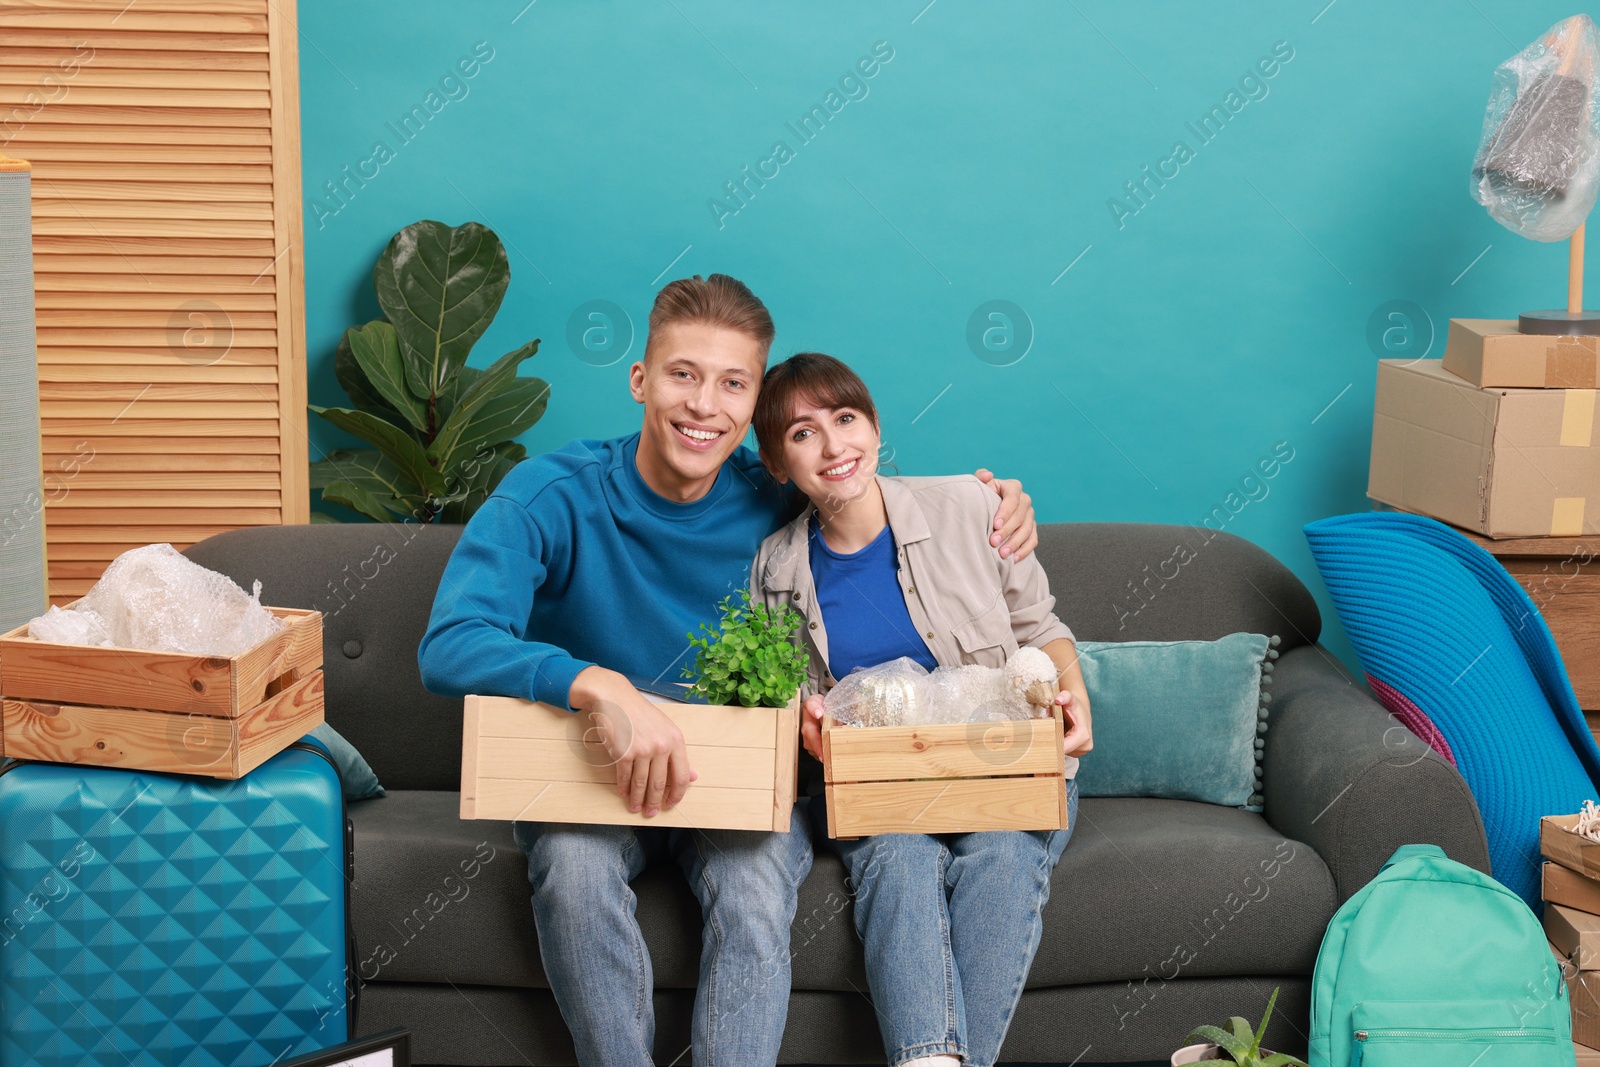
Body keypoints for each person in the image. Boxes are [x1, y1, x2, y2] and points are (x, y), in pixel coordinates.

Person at [417, 275, 1041, 1067]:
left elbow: (871, 501)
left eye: (733, 384)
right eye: (683, 374)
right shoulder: (548, 495)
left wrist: (993, 500)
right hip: (590, 779)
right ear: (641, 380)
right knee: (571, 870)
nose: (704, 405)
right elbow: (450, 642)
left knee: (752, 891)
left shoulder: (774, 497)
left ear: (753, 412)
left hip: (732, 785)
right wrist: (598, 684)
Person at [748, 351, 1094, 1067]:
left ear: (875, 428)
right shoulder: (776, 570)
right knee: (897, 856)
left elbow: (1042, 629)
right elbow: (785, 699)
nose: (834, 445)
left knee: (1003, 851)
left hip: (1006, 766)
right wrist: (805, 728)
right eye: (803, 432)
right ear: (778, 462)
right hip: (882, 787)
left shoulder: (972, 506)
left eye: (846, 418)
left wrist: (1075, 700)